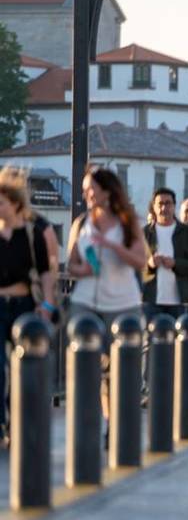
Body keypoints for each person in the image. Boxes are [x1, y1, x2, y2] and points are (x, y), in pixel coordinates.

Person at [67, 166, 146, 445]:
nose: (86, 193)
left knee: (119, 370)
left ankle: (115, 424)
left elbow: (140, 261)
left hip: (123, 302)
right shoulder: (81, 222)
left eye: (91, 188)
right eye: (85, 188)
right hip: (85, 301)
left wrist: (113, 247)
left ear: (107, 191)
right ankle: (88, 423)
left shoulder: (128, 222)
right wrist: (83, 270)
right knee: (88, 365)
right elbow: (72, 264)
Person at [0, 166, 60, 446]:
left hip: (24, 305)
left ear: (14, 203)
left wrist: (47, 304)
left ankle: (17, 422)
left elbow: (46, 272)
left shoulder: (32, 233)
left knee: (21, 367)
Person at [142, 188, 188, 320]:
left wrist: (176, 264)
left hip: (180, 302)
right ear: (154, 207)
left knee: (179, 339)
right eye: (160, 203)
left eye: (168, 203)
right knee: (151, 339)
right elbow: (134, 266)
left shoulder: (187, 233)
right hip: (150, 301)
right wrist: (149, 264)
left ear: (174, 206)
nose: (164, 207)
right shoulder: (145, 233)